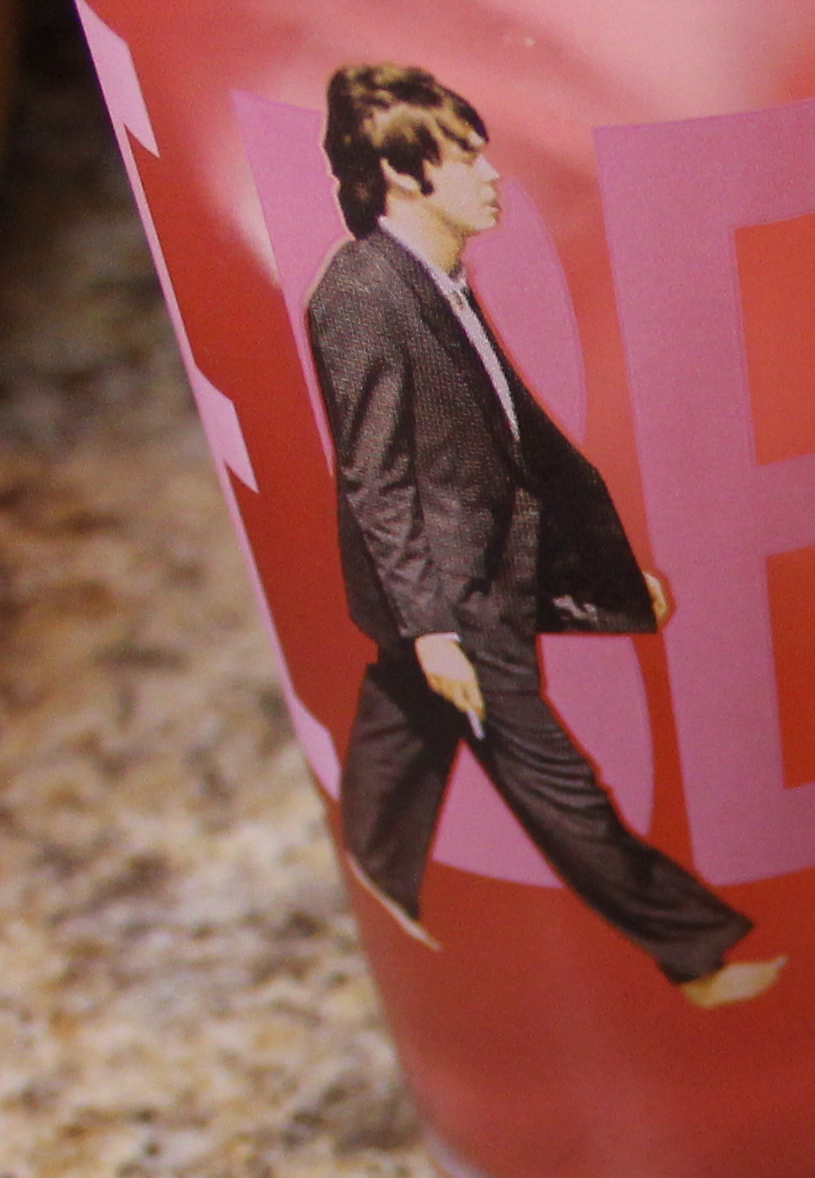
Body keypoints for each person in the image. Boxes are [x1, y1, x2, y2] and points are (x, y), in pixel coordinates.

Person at [307, 64, 775, 1006]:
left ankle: (375, 861)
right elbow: (377, 479)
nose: (493, 177)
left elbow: (513, 449)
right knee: (558, 785)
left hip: (481, 572)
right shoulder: (363, 295)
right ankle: (697, 958)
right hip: (454, 594)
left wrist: (609, 575)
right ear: (401, 172)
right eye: (466, 157)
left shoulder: (437, 278)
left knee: (406, 718)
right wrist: (433, 629)